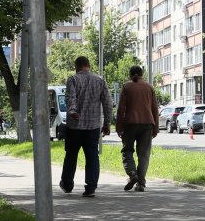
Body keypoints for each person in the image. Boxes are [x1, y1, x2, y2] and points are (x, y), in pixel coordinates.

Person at [60, 56, 113, 198]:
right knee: (92, 156)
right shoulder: (100, 80)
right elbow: (108, 103)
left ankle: (67, 184)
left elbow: (70, 98)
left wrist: (72, 111)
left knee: (71, 155)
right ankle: (91, 187)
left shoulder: (73, 79)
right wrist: (107, 123)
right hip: (93, 127)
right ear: (88, 65)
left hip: (75, 127)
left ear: (77, 66)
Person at [115, 64, 160, 192]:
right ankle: (140, 183)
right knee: (143, 154)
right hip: (147, 124)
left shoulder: (127, 86)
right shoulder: (149, 87)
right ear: (141, 75)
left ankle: (132, 174)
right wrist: (156, 127)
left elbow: (121, 109)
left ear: (130, 75)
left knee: (127, 150)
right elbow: (154, 109)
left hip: (130, 124)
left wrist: (119, 127)